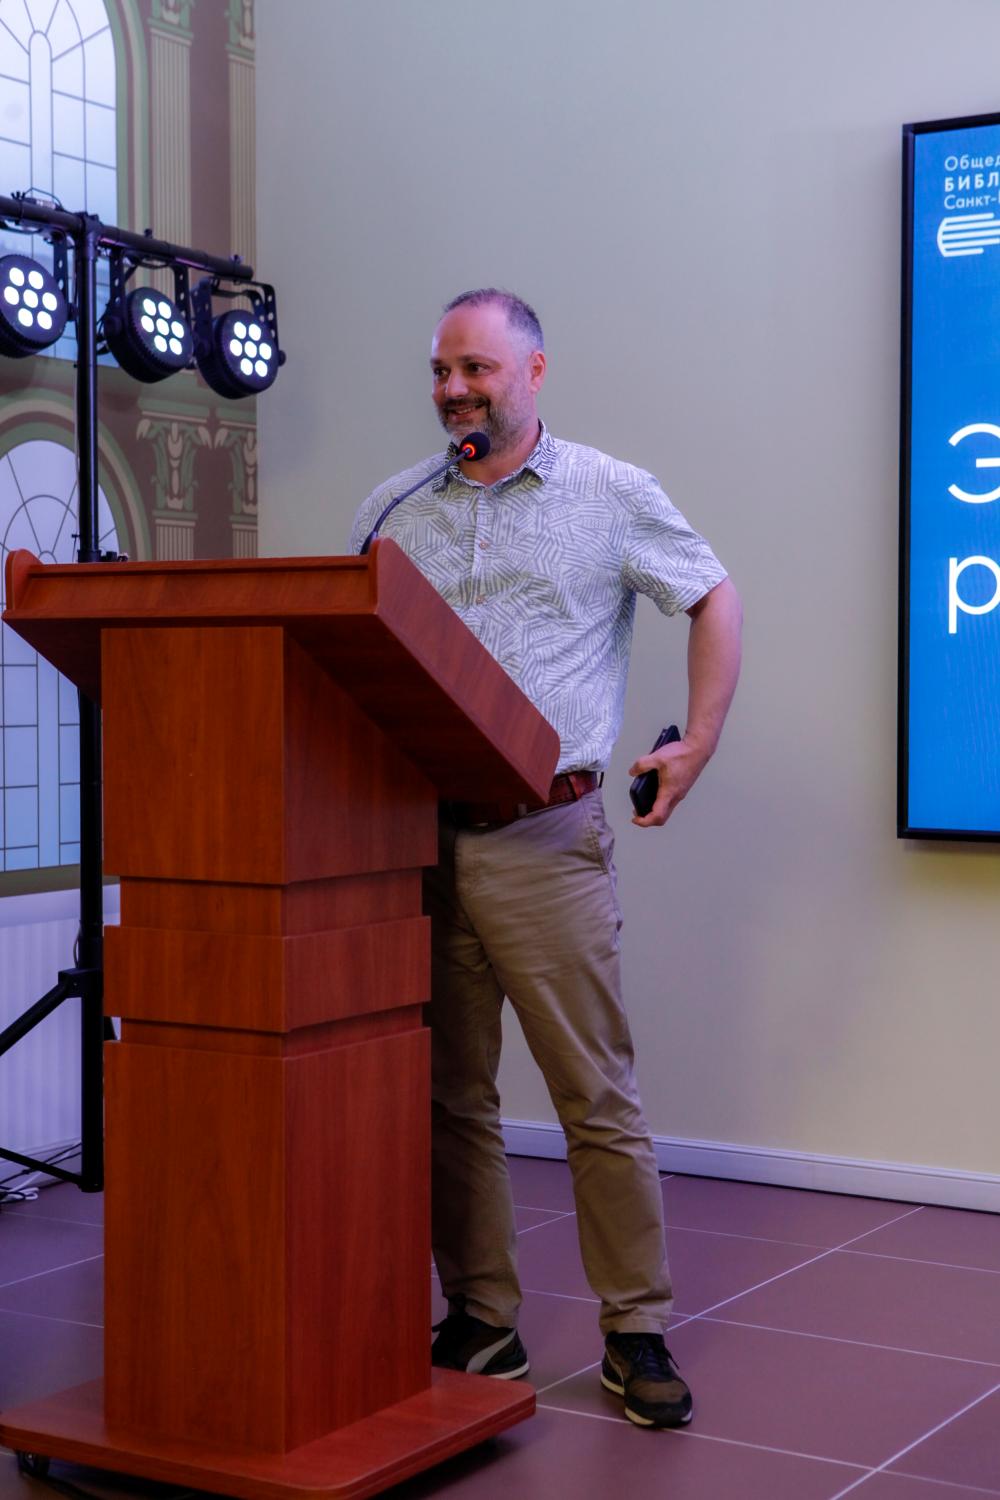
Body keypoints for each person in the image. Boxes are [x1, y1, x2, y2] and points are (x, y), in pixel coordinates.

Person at [350, 289, 742, 1429]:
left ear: (532, 372)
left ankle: (634, 1332)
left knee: (594, 1098)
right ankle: (482, 1319)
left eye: (475, 369)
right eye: (440, 371)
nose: (453, 391)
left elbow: (711, 594)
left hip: (546, 834)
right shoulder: (394, 508)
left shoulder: (609, 494)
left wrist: (697, 739)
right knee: (449, 1098)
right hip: (414, 840)